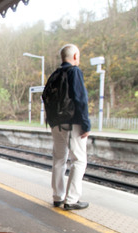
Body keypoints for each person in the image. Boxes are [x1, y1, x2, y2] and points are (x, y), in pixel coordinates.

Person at [49, 44, 91, 210]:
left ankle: (57, 197)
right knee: (79, 160)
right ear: (74, 57)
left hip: (55, 124)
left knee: (59, 159)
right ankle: (71, 199)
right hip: (72, 123)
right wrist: (85, 124)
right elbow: (80, 99)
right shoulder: (74, 72)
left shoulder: (55, 74)